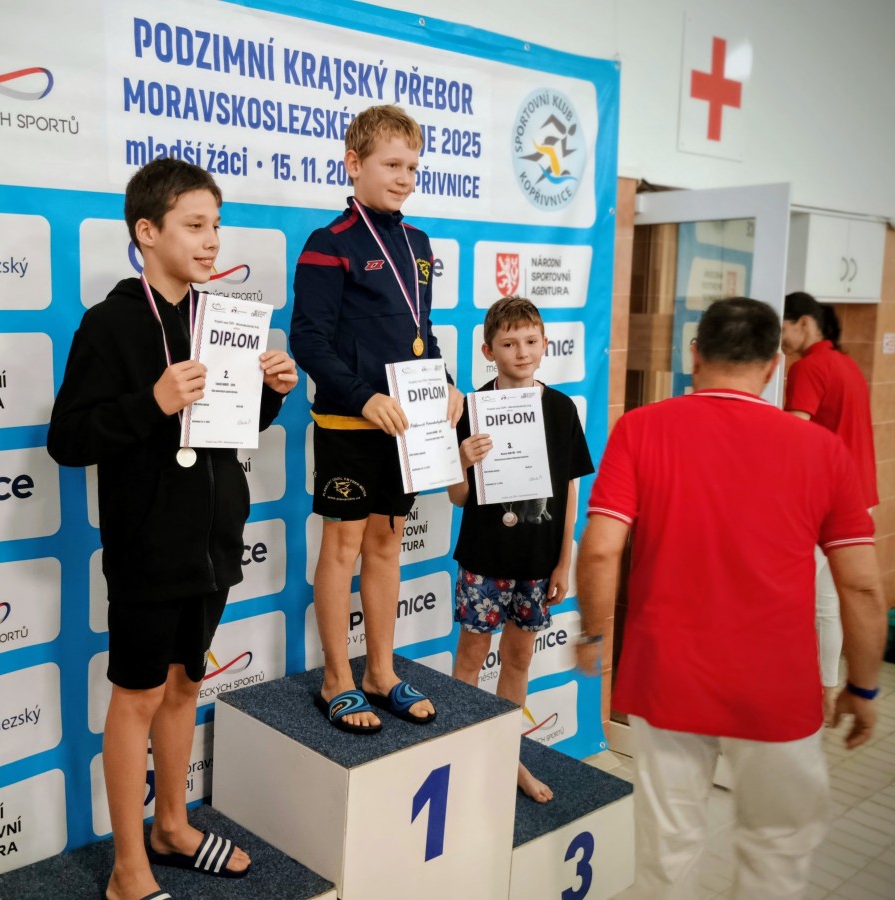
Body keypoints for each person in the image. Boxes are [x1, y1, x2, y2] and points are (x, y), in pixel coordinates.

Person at [574, 297, 886, 899]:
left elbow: (601, 550)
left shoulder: (640, 428)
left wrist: (593, 633)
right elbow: (862, 585)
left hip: (668, 677)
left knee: (668, 856)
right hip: (778, 686)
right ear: (774, 365)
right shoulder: (822, 450)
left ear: (694, 355)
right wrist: (864, 686)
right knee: (776, 855)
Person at [48, 158, 297, 900]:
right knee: (138, 697)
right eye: (195, 225)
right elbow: (68, 439)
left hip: (212, 543)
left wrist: (270, 394)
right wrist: (150, 402)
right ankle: (129, 869)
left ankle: (173, 826)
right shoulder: (111, 323)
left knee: (187, 686)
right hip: (148, 548)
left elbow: (228, 428)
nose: (212, 240)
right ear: (147, 232)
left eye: (216, 225)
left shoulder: (220, 318)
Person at [290, 104, 463, 734]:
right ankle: (337, 678)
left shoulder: (418, 245)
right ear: (354, 164)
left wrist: (445, 384)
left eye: (412, 167)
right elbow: (308, 341)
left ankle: (380, 672)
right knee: (343, 548)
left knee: (388, 543)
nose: (405, 178)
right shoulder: (328, 244)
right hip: (350, 426)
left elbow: (422, 334)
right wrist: (363, 398)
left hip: (405, 429)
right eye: (392, 165)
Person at [449, 296, 593, 802]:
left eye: (531, 341)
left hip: (538, 558)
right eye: (509, 344)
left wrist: (564, 560)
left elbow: (570, 491)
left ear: (545, 344)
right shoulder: (470, 408)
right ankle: (461, 757)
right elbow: (458, 497)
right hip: (483, 555)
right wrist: (461, 460)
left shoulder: (560, 409)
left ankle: (506, 759)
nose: (522, 352)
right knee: (470, 657)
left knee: (518, 659)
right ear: (488, 351)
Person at [782, 290, 880, 721]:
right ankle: (825, 690)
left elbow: (795, 436)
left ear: (804, 323)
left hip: (824, 505)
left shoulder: (808, 367)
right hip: (860, 499)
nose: (780, 341)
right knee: (827, 604)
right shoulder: (847, 364)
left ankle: (798, 693)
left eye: (783, 329)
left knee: (793, 599)